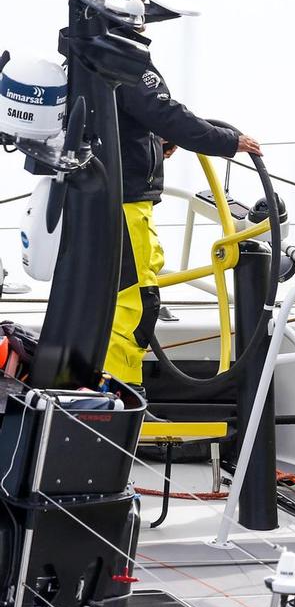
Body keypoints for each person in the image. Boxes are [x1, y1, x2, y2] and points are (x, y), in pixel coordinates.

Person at [105, 27, 262, 388]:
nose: (144, 27)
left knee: (113, 305)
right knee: (133, 309)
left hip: (103, 205)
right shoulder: (124, 61)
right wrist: (227, 141)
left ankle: (108, 402)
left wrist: (154, 146)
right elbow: (164, 112)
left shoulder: (83, 62)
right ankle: (119, 406)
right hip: (125, 208)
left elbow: (116, 125)